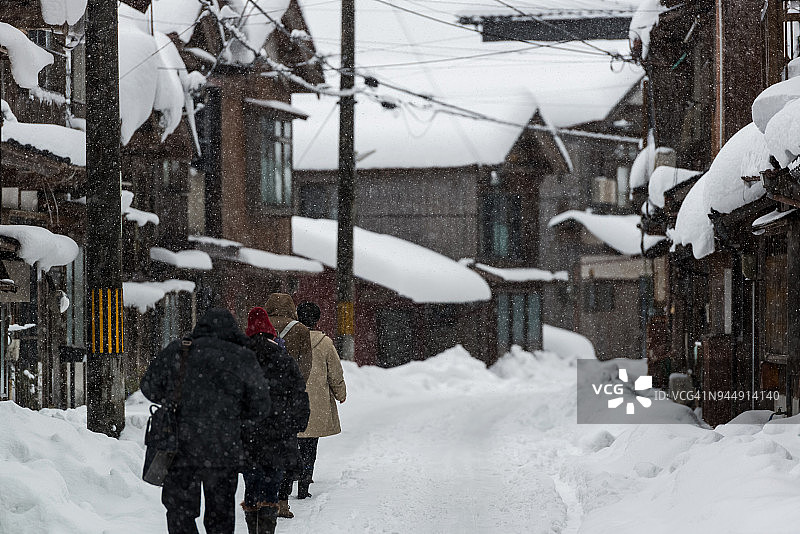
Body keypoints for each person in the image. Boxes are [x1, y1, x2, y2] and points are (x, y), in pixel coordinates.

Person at [141, 308, 271, 534]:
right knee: (220, 512)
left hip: (180, 446)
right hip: (224, 448)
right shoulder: (242, 356)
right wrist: (235, 416)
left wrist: (173, 399)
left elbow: (148, 386)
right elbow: (261, 405)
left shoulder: (180, 350)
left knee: (180, 509)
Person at [241, 307, 310, 534]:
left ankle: (253, 526)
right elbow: (299, 392)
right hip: (278, 431)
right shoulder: (284, 359)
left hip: (247, 432)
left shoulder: (240, 359)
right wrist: (297, 422)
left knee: (251, 480)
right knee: (272, 479)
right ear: (270, 331)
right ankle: (267, 528)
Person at [264, 293, 313, 518]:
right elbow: (306, 365)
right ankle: (283, 501)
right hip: (287, 400)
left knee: (262, 450)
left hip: (263, 398)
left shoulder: (261, 326)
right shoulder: (301, 330)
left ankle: (265, 497)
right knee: (286, 449)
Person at [294, 301, 347, 499]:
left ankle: (290, 478)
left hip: (291, 400)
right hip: (315, 402)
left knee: (293, 440)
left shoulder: (289, 339)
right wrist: (340, 393)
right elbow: (335, 373)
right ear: (317, 320)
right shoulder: (325, 343)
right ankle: (304, 483)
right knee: (310, 444)